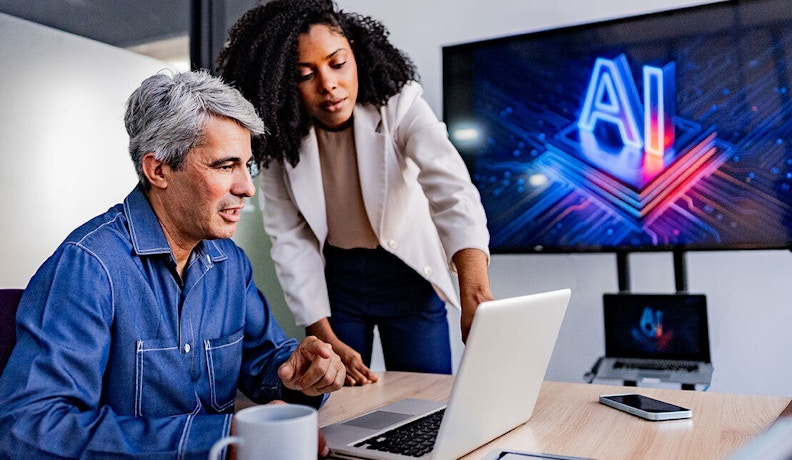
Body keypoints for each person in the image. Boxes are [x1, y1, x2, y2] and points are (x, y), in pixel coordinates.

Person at [0, 70, 345, 459]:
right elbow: (29, 428)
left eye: (246, 166)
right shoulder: (89, 267)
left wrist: (305, 374)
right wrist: (216, 439)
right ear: (159, 169)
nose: (247, 187)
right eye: (223, 165)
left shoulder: (229, 262)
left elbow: (271, 365)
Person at [218, 0, 492, 386]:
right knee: (338, 398)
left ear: (358, 55)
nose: (328, 84)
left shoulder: (401, 105)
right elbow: (290, 238)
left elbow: (451, 190)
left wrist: (475, 293)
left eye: (338, 63)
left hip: (407, 275)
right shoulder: (280, 142)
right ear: (282, 82)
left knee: (428, 397)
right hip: (340, 282)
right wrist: (323, 335)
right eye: (304, 73)